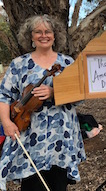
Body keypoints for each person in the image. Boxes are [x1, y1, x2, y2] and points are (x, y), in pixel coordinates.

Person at [0, 15, 86, 191]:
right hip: (30, 135)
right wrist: (6, 122)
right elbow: (4, 95)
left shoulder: (67, 63)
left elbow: (80, 95)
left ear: (55, 35)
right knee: (32, 186)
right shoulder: (19, 64)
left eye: (48, 31)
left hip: (61, 136)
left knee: (58, 185)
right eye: (38, 32)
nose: (43, 35)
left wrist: (54, 93)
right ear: (30, 36)